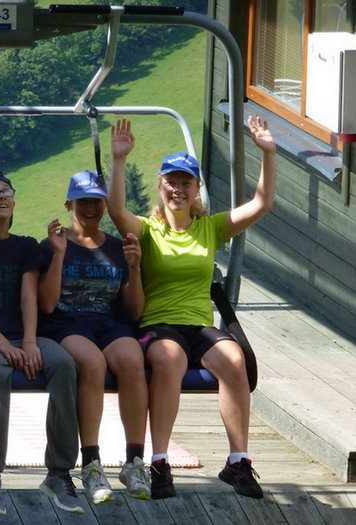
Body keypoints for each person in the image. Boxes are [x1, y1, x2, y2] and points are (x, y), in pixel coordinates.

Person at [107, 117, 276, 500]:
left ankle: (238, 461)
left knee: (234, 359)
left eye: (186, 183)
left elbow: (262, 204)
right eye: (171, 182)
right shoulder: (149, 230)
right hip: (159, 324)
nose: (178, 189)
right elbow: (116, 210)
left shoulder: (210, 228)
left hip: (199, 326)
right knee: (168, 360)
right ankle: (160, 461)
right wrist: (119, 160)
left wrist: (267, 153)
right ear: (161, 186)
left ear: (197, 188)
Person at [0, 171, 83, 516]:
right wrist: (4, 345)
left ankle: (59, 472)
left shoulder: (25, 246)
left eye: (6, 190)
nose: (1, 196)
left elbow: (29, 298)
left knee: (63, 364)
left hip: (24, 334)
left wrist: (29, 342)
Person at [38, 170, 150, 502]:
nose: (90, 209)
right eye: (83, 202)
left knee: (132, 360)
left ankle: (134, 462)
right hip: (66, 324)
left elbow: (133, 312)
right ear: (69, 204)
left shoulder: (117, 247)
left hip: (108, 324)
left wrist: (134, 267)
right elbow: (47, 305)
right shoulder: (52, 245)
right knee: (92, 363)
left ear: (105, 205)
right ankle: (91, 463)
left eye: (96, 202)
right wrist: (59, 255)